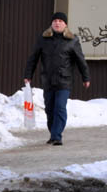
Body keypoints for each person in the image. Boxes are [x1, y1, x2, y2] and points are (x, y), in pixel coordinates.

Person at [23, 11, 90, 146]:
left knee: (59, 107)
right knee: (49, 109)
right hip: (48, 80)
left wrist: (85, 77)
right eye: (55, 21)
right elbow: (33, 58)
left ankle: (57, 136)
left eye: (60, 21)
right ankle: (53, 133)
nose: (57, 23)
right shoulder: (43, 39)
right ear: (51, 24)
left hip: (64, 81)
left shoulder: (72, 40)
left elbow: (80, 60)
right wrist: (28, 75)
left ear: (65, 24)